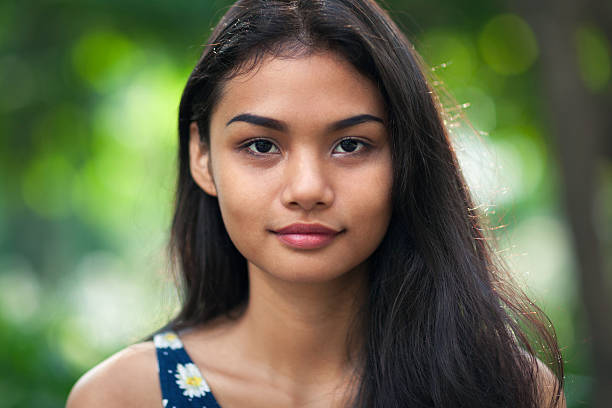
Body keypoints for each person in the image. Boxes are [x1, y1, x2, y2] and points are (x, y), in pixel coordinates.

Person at [66, 0, 566, 407]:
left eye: (351, 145)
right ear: (202, 156)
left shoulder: (510, 392)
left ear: (406, 159)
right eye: (261, 145)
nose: (307, 189)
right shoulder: (121, 396)